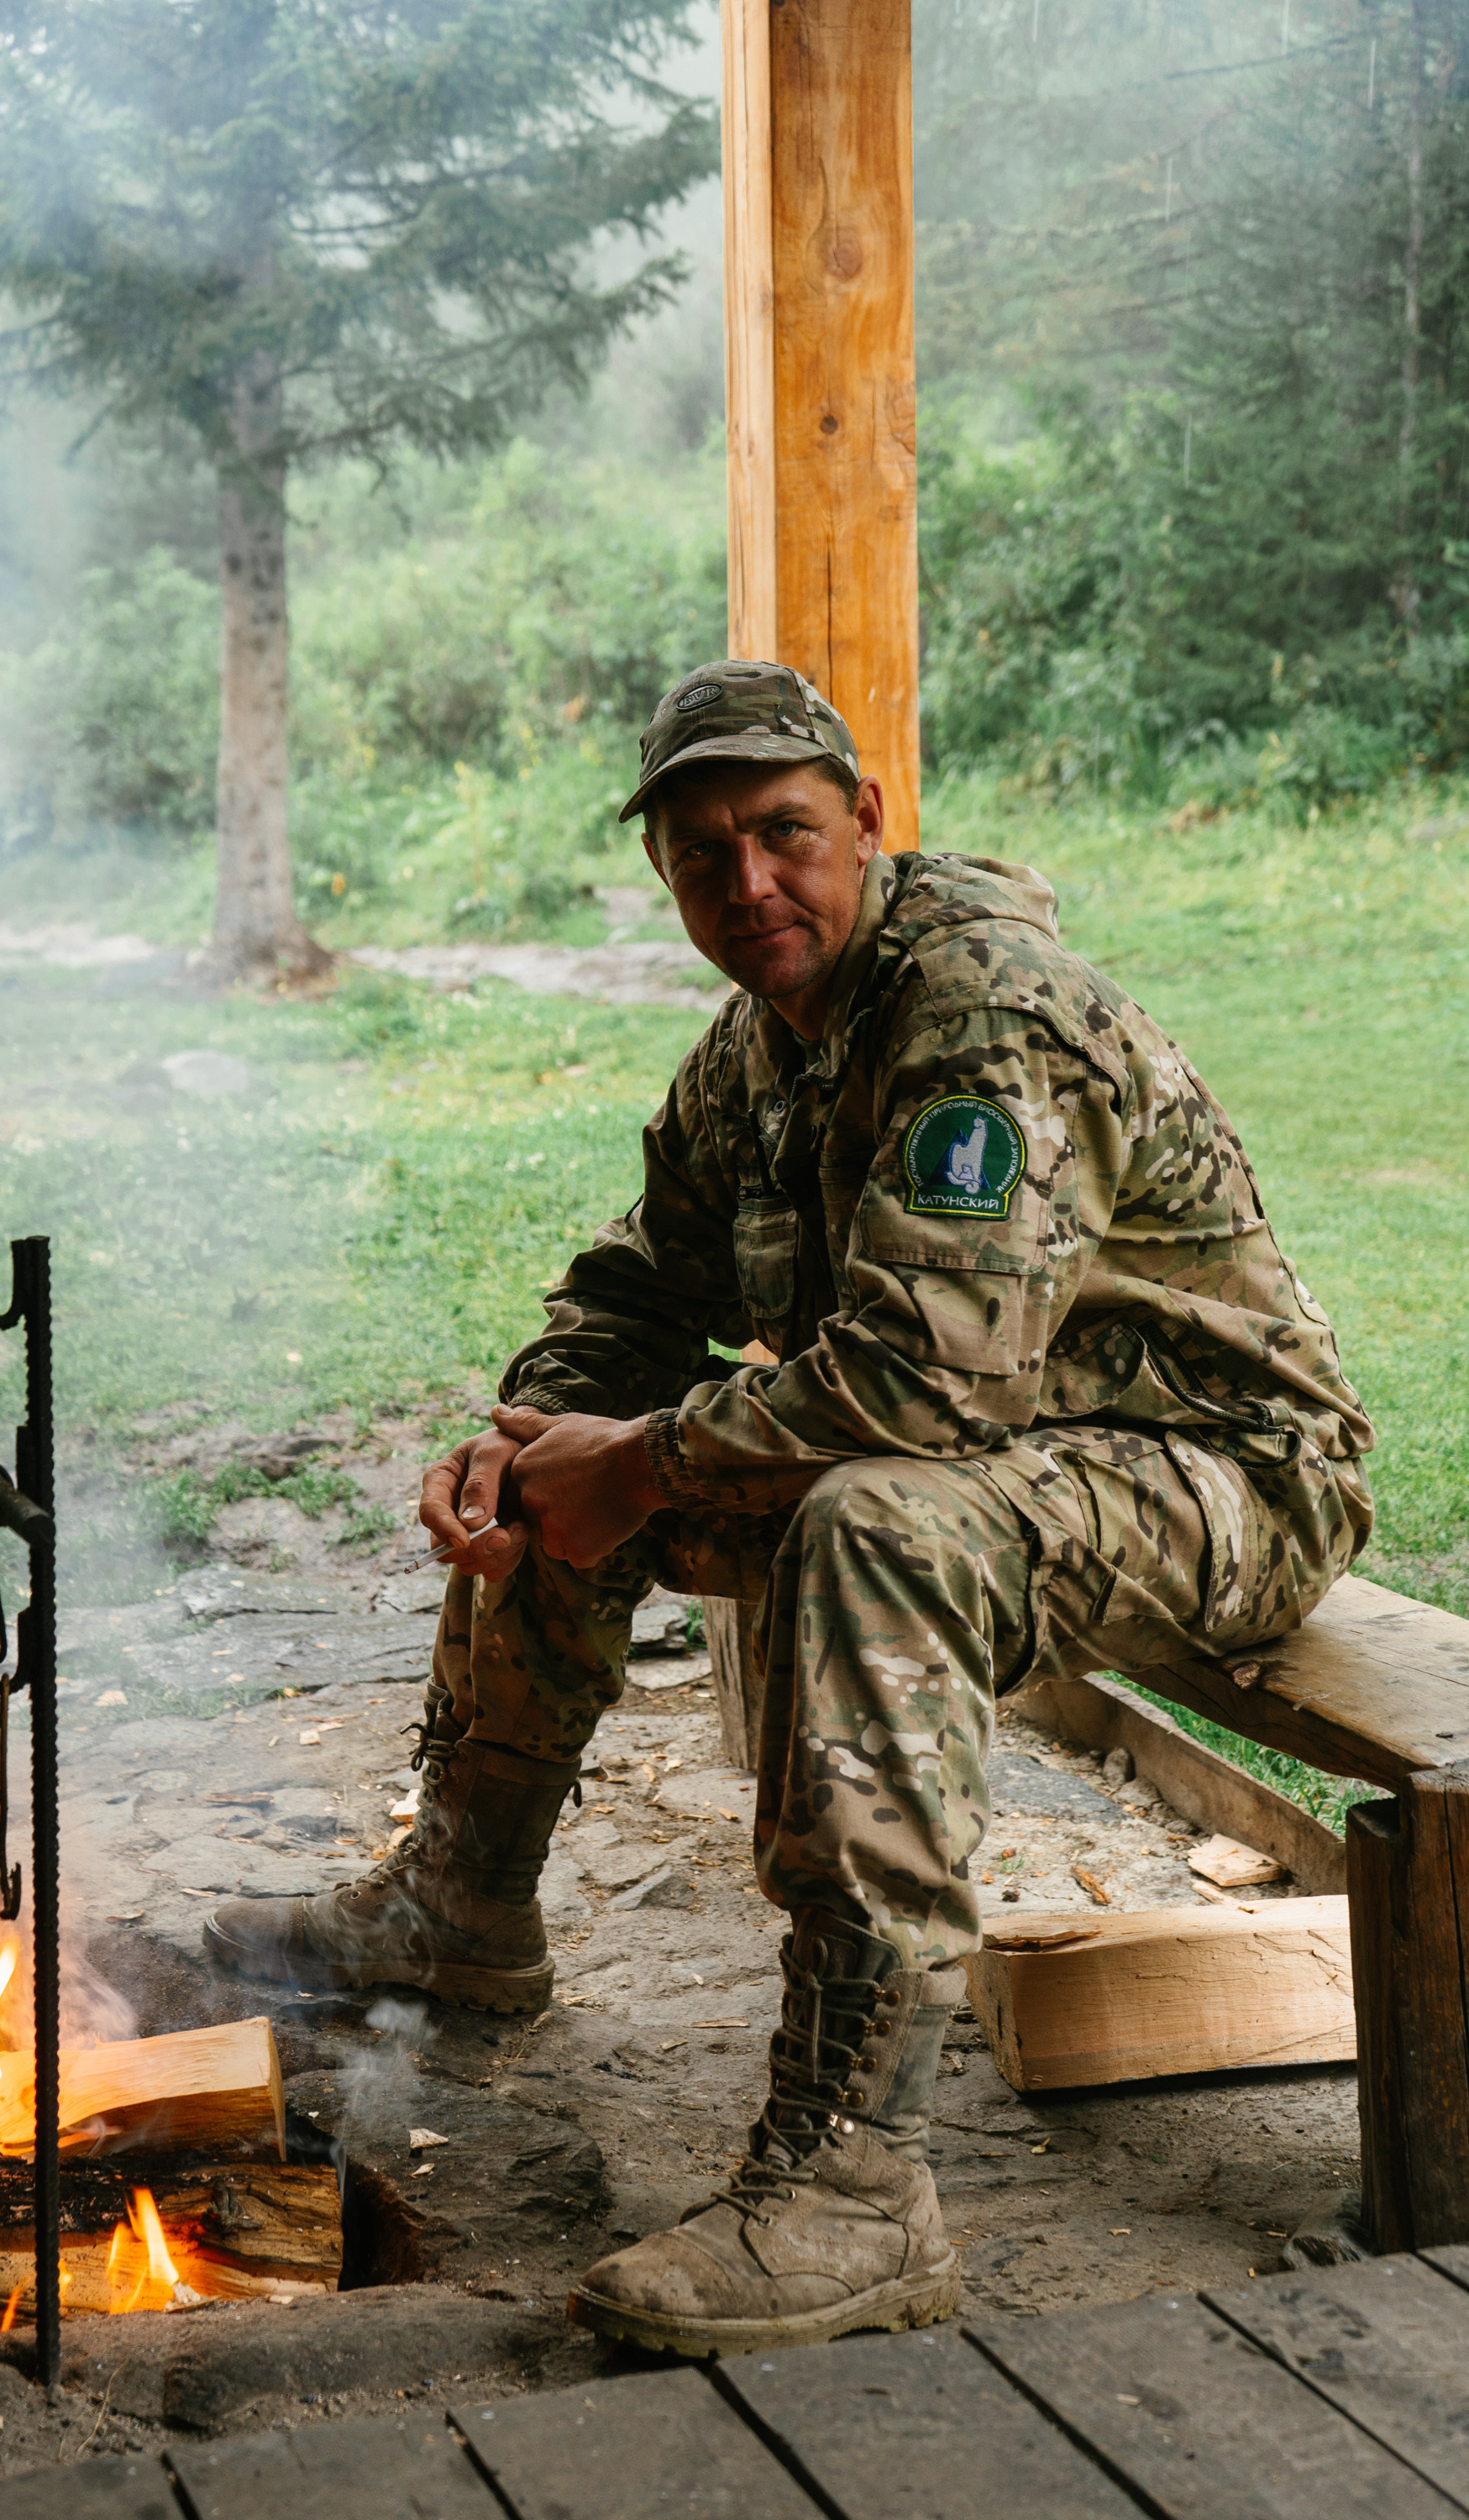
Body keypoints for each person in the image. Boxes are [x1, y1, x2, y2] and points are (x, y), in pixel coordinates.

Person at [206, 659, 1373, 2358]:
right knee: (596, 1460)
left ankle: (855, 2187)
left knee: (870, 1529)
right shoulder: (760, 1045)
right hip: (998, 1462)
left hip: (1225, 1475)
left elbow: (928, 1384)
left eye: (783, 833)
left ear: (866, 823)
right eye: (702, 854)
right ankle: (464, 1900)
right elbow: (632, 1285)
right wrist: (530, 1438)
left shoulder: (984, 1014)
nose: (747, 882)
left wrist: (638, 1458)